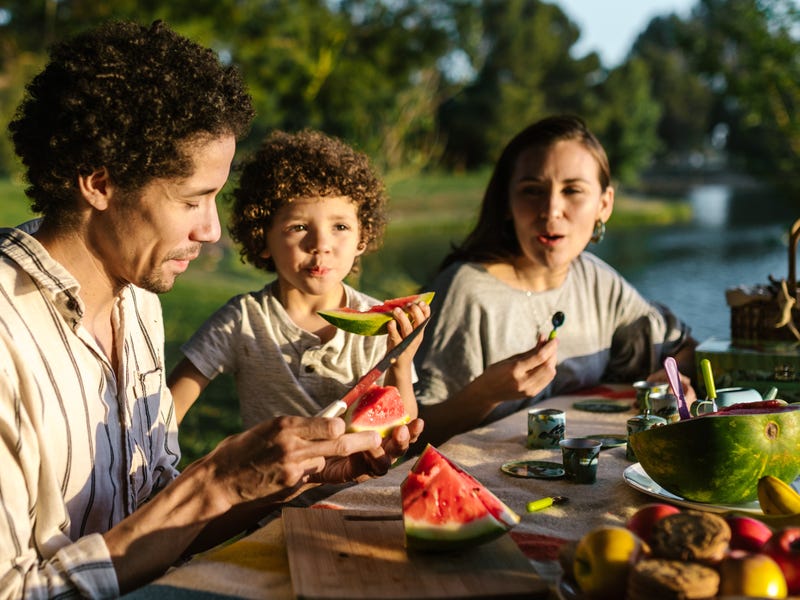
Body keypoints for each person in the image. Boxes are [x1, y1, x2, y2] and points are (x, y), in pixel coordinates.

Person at [0, 21, 422, 598]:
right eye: (192, 199)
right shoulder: (6, 335)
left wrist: (284, 481)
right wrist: (214, 482)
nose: (213, 229)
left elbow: (154, 522)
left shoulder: (139, 299)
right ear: (100, 183)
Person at [413, 114, 697, 446]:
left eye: (573, 190)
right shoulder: (465, 291)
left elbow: (680, 346)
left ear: (604, 205)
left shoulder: (594, 278)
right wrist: (485, 394)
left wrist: (674, 378)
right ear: (507, 202)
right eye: (532, 190)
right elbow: (414, 436)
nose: (550, 210)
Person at [168, 129, 429, 428]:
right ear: (262, 238)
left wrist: (401, 361)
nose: (321, 244)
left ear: (362, 238)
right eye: (299, 227)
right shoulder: (242, 320)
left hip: (361, 477)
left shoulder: (380, 326)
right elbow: (168, 410)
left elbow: (401, 428)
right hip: (268, 475)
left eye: (340, 227)